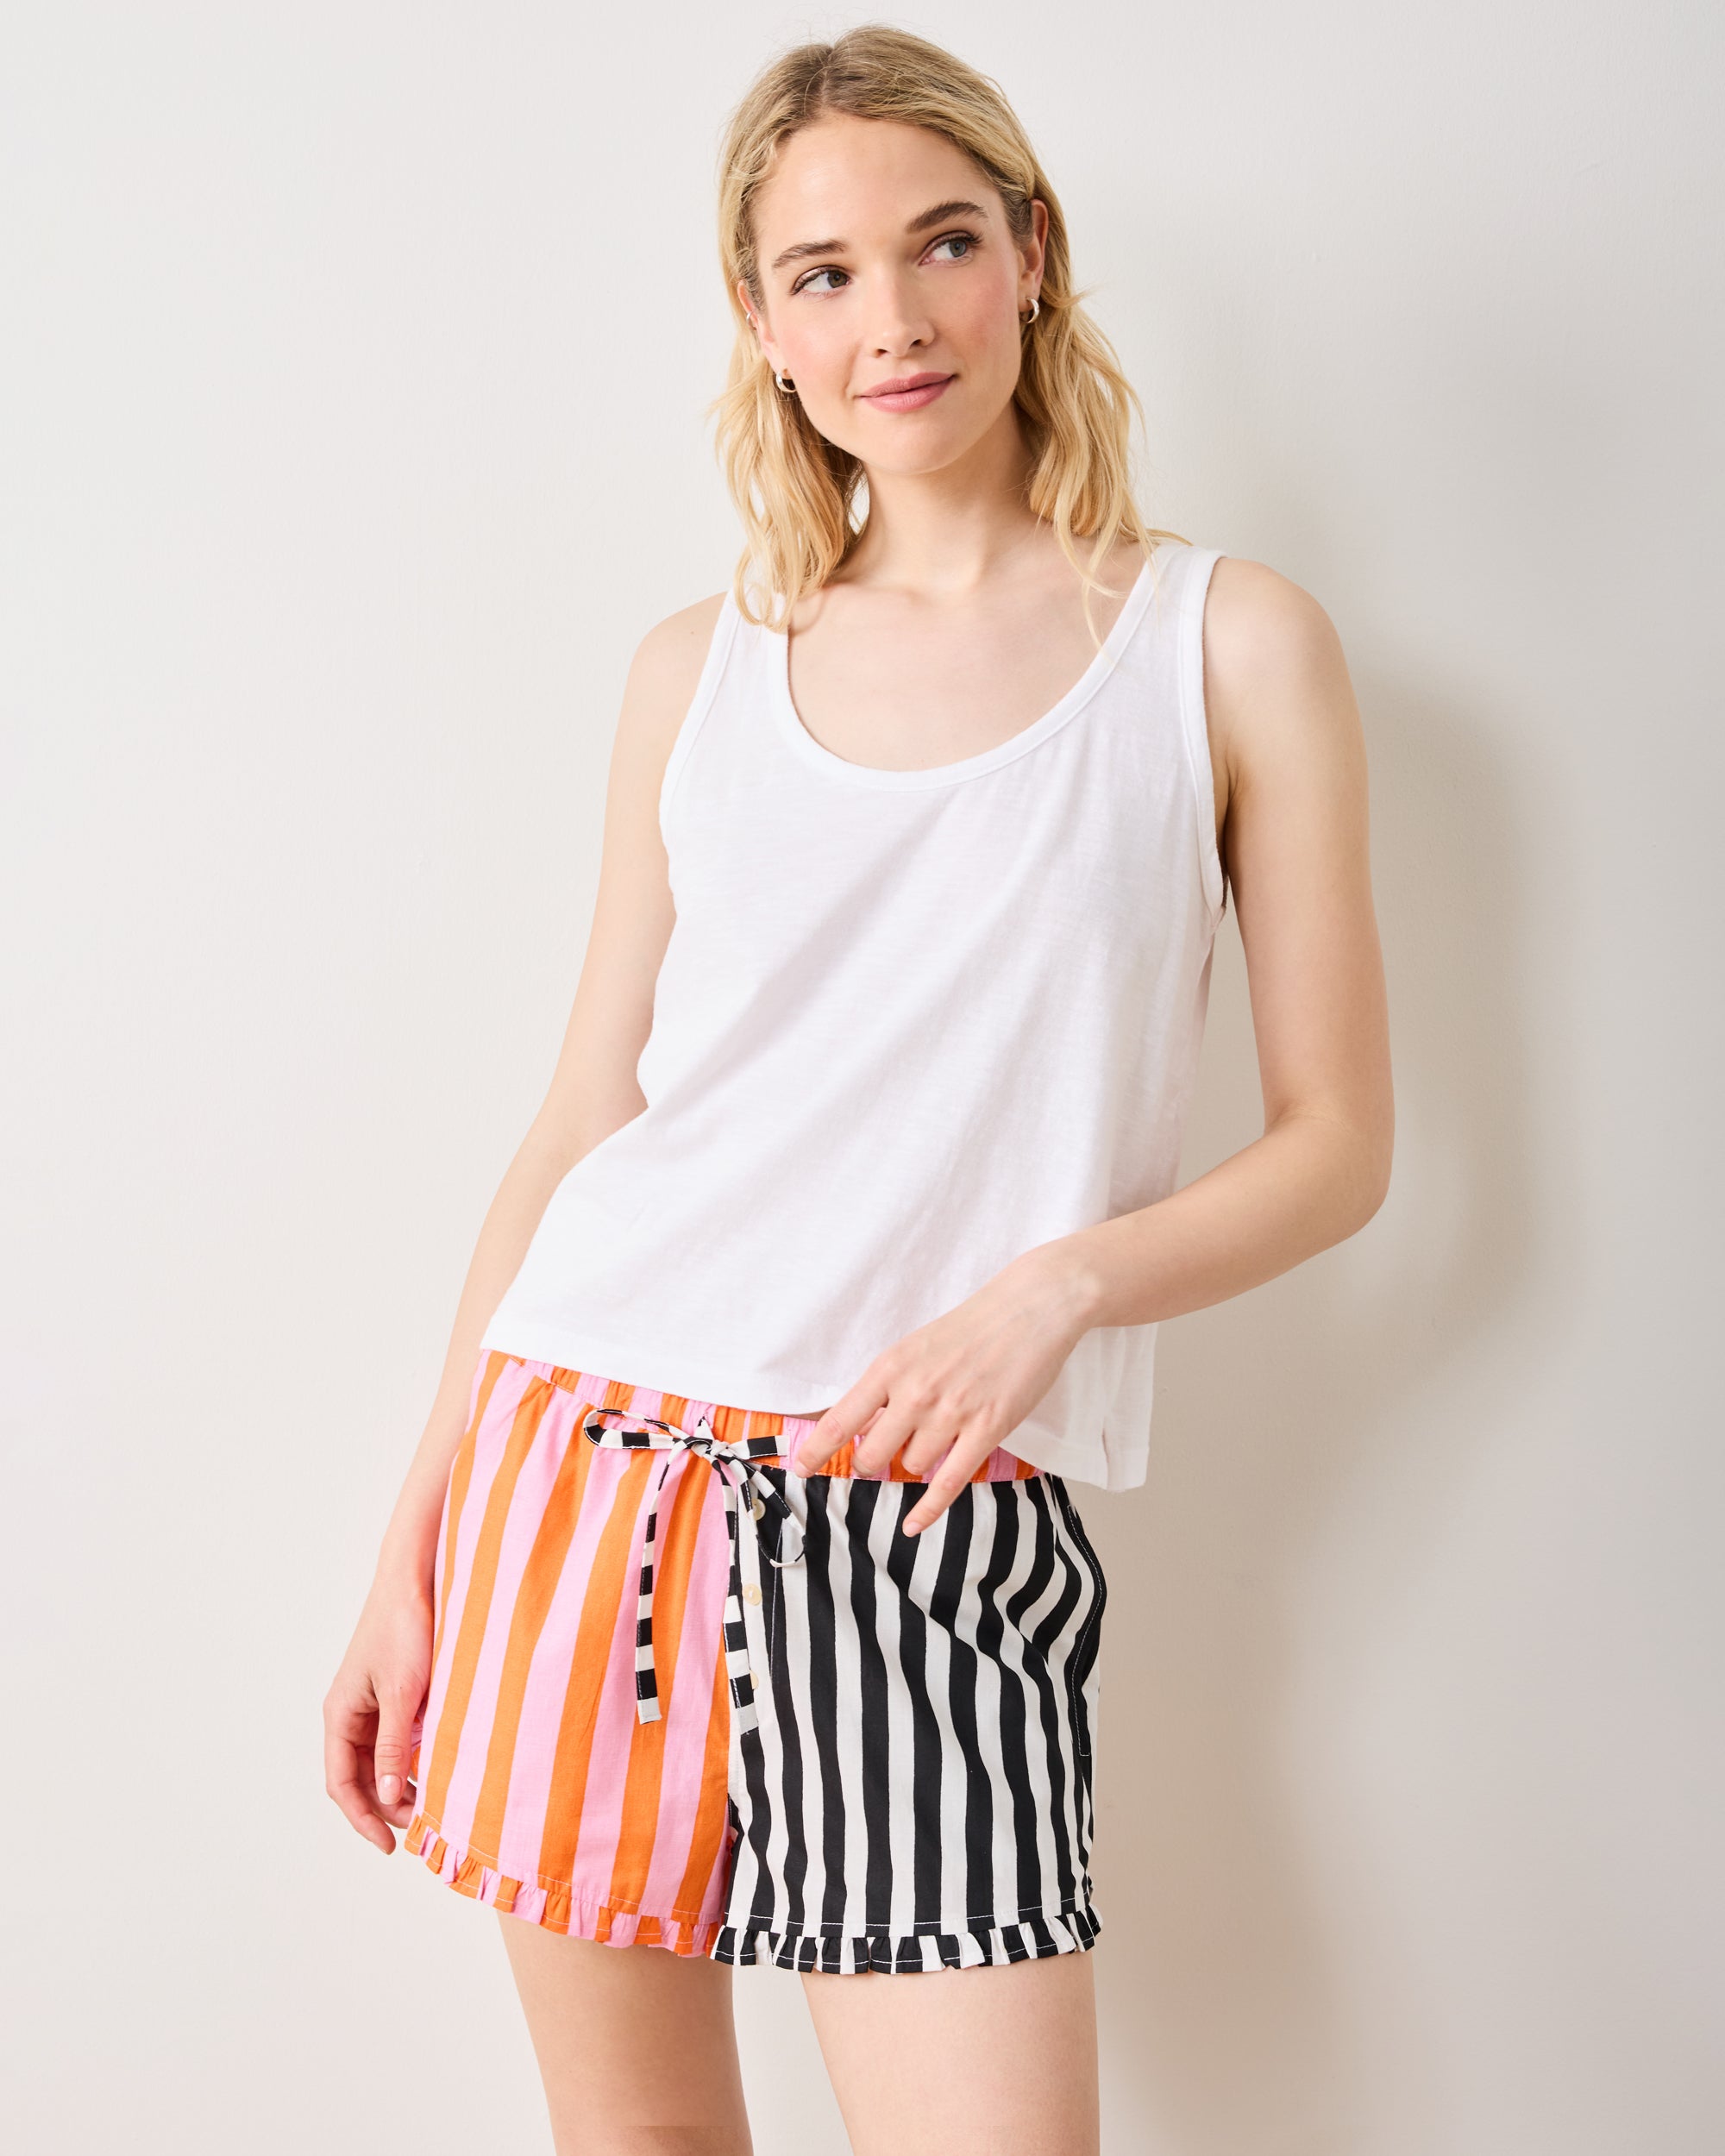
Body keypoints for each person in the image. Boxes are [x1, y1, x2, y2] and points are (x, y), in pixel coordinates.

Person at [323, 23, 1392, 2156]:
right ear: (759, 318)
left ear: (1031, 254)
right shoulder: (696, 668)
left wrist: (1053, 1287)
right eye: (820, 271)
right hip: (583, 1473)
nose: (890, 317)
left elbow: (1339, 1144)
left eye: (941, 243)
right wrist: (411, 1540)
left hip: (932, 1507)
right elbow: (582, 1116)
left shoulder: (1224, 643)